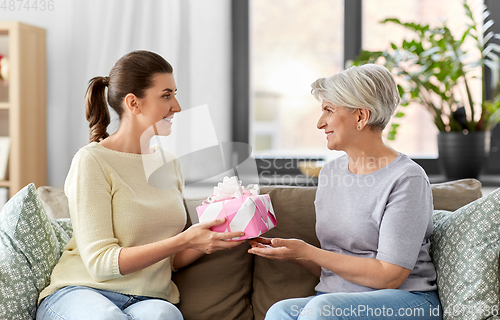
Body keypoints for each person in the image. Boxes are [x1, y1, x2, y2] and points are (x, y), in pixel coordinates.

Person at [36, 50, 245, 320]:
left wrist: (212, 237)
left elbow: (168, 260)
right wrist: (184, 239)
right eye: (166, 95)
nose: (177, 107)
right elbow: (100, 263)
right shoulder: (92, 161)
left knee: (164, 316)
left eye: (175, 94)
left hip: (149, 298)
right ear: (134, 103)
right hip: (83, 291)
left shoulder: (169, 163)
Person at [248, 64, 442, 320]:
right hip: (338, 304)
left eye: (329, 110)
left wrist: (308, 250)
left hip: (408, 301)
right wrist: (294, 254)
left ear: (361, 116)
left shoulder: (407, 178)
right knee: (279, 311)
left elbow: (390, 275)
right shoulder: (330, 174)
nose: (320, 123)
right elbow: (335, 268)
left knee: (321, 309)